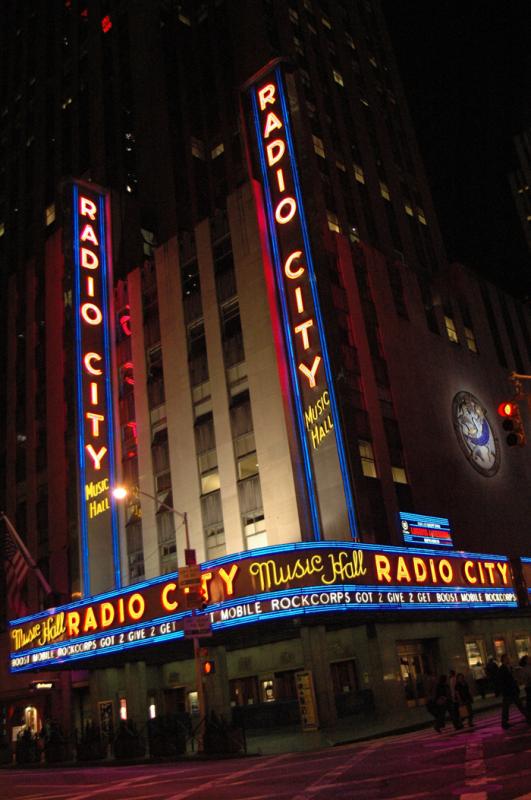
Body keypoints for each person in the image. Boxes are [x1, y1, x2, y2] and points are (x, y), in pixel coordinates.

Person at [498, 654, 529, 729]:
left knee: (519, 705)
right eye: (507, 658)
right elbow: (503, 681)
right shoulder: (502, 669)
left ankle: (528, 717)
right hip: (508, 691)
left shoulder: (510, 667)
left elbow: (513, 678)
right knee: (507, 707)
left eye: (509, 658)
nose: (509, 660)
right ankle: (504, 723)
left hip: (513, 690)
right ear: (503, 660)